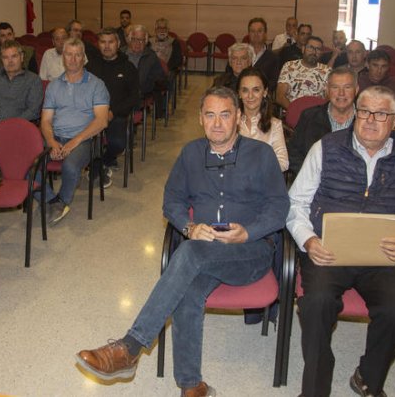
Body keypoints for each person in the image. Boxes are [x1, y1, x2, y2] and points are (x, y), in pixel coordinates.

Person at [76, 86, 289, 397]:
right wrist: (189, 227)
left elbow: (279, 208)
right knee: (188, 284)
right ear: (200, 118)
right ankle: (192, 387)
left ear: (239, 118)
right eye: (210, 115)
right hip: (203, 249)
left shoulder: (261, 154)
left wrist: (249, 231)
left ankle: (130, 347)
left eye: (225, 115)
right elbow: (172, 200)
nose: (217, 123)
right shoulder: (191, 153)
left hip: (250, 252)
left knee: (189, 254)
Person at [287, 85, 395, 397]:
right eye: (364, 111)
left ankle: (368, 377)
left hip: (380, 257)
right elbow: (295, 203)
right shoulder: (326, 147)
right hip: (328, 252)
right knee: (317, 303)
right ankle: (315, 388)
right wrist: (309, 241)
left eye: (381, 114)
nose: (370, 120)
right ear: (354, 113)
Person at [40, 38, 109, 224]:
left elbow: (102, 121)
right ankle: (51, 199)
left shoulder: (96, 85)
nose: (72, 59)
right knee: (25, 163)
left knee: (70, 165)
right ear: (63, 58)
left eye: (77, 54)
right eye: (68, 54)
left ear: (83, 58)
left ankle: (62, 200)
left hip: (85, 140)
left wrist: (75, 141)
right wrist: (51, 141)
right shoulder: (54, 86)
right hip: (56, 136)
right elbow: (45, 121)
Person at [85, 28, 141, 185]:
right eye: (103, 42)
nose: (107, 46)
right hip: (92, 114)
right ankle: (96, 166)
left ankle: (103, 161)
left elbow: (134, 98)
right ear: (98, 44)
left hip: (116, 115)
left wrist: (112, 112)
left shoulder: (128, 67)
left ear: (118, 44)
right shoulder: (90, 66)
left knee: (118, 143)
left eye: (111, 42)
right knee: (86, 139)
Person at [287, 67, 357, 176]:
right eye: (335, 87)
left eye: (347, 87)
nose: (341, 93)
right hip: (313, 182)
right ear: (327, 90)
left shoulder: (366, 120)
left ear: (356, 90)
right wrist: (312, 176)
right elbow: (293, 153)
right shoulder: (309, 116)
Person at [0, 40, 43, 129]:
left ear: (21, 57)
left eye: (14, 56)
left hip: (15, 129)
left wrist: (8, 127)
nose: (10, 61)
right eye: (5, 57)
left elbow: (33, 111)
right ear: (1, 60)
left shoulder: (33, 80)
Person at [237, 67, 288, 172]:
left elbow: (283, 162)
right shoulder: (229, 122)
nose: (250, 96)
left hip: (262, 182)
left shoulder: (275, 124)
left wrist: (256, 170)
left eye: (256, 90)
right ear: (239, 94)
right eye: (245, 90)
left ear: (264, 92)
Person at [276, 35, 330, 109]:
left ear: (321, 53)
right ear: (303, 49)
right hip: (292, 110)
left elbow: (329, 97)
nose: (314, 52)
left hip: (317, 115)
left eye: (318, 49)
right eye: (311, 47)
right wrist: (294, 112)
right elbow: (280, 96)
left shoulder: (327, 70)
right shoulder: (289, 66)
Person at [126, 25, 167, 117]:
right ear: (129, 40)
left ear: (146, 42)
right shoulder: (121, 53)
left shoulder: (151, 57)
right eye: (134, 39)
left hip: (140, 92)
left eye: (141, 40)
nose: (137, 43)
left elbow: (160, 78)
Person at [247, 17, 280, 92]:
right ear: (248, 34)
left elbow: (273, 82)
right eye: (252, 31)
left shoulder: (273, 58)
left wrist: (260, 92)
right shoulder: (240, 53)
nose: (256, 34)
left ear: (265, 34)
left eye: (259, 31)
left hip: (262, 96)